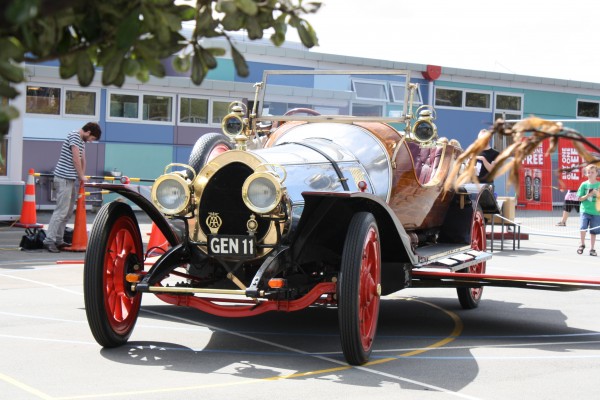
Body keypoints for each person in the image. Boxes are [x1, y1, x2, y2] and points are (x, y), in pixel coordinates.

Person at [43, 122, 101, 253]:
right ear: (88, 132)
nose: (91, 141)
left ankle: (59, 239)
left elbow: (82, 159)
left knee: (68, 212)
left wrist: (82, 177)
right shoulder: (74, 136)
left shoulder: (81, 141)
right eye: (92, 139)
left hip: (70, 179)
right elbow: (76, 158)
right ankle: (49, 240)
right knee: (61, 211)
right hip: (63, 178)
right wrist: (81, 176)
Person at [576, 164, 600, 256]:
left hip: (596, 212)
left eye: (592, 172)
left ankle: (592, 248)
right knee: (583, 227)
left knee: (593, 231)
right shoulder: (584, 184)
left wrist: (597, 193)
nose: (590, 174)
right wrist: (588, 195)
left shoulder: (599, 184)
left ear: (596, 173)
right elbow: (579, 198)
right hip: (585, 210)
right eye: (588, 172)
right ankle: (582, 244)